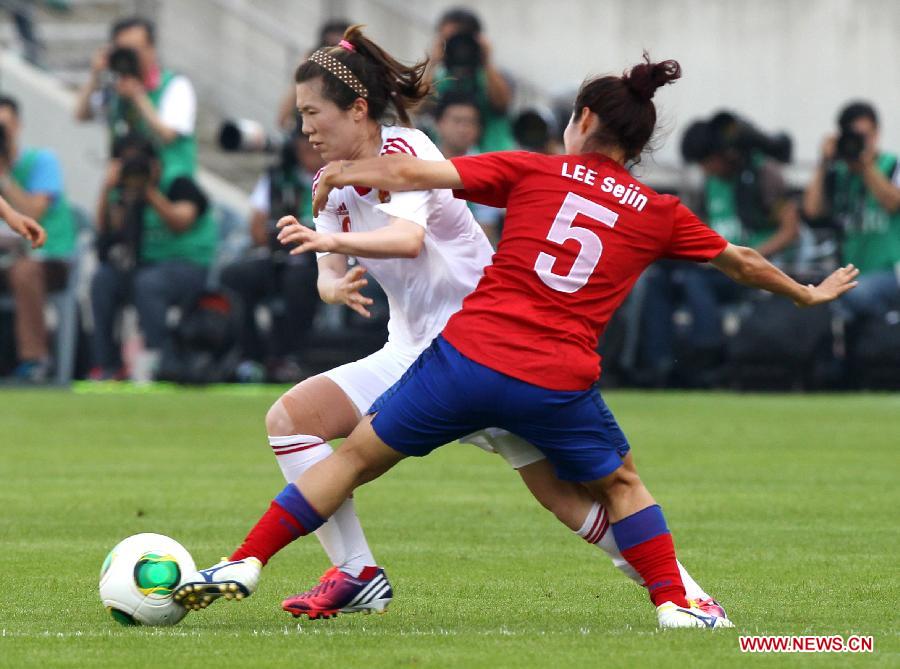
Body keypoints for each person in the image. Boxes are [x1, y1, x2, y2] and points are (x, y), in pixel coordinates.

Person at [173, 44, 768, 628]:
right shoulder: (329, 182)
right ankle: (354, 572)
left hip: (477, 345)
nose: (302, 127)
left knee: (570, 499)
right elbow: (329, 269)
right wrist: (332, 281)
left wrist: (331, 242)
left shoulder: (405, 148)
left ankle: (685, 595)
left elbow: (406, 239)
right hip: (414, 350)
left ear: (356, 108)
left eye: (311, 113)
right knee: (292, 421)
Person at [637, 112, 802, 386]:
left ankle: (707, 356)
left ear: (724, 154)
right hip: (716, 268)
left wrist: (750, 256)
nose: (705, 170)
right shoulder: (709, 186)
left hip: (753, 271)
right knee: (658, 279)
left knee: (694, 280)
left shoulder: (763, 174)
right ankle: (659, 364)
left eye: (706, 162)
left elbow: (790, 230)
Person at [89, 135, 215, 381]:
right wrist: (109, 187)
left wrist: (149, 192)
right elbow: (107, 227)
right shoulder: (125, 190)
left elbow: (181, 221)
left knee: (148, 283)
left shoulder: (178, 182)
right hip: (146, 267)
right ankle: (106, 365)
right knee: (103, 280)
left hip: (188, 266)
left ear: (156, 164)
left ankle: (160, 360)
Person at [220, 131, 323, 382]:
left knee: (297, 281)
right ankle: (250, 354)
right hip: (280, 252)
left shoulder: (341, 174)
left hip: (321, 256)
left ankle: (290, 356)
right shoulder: (278, 177)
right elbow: (256, 226)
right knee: (234, 277)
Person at [0, 95, 75, 381]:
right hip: (6, 259)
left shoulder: (41, 161)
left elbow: (32, 213)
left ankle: (35, 361)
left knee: (25, 271)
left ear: (18, 126)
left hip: (48, 257)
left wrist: (4, 177)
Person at [803, 101, 900, 322]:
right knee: (826, 304)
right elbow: (812, 211)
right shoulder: (840, 173)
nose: (861, 143)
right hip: (853, 271)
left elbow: (893, 203)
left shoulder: (892, 164)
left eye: (865, 136)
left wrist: (865, 165)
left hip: (892, 270)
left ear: (876, 133)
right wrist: (823, 163)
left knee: (855, 297)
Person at [74, 16, 198, 180]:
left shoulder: (175, 86)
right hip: (125, 194)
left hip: (169, 192)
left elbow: (168, 135)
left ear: (151, 49)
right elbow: (81, 114)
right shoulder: (115, 91)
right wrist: (95, 76)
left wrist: (138, 97)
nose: (130, 58)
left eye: (135, 50)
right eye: (123, 50)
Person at [424, 7, 515, 153]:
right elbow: (417, 107)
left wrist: (486, 59)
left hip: (493, 156)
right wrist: (431, 62)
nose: (456, 46)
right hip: (446, 158)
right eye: (447, 40)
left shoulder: (493, 77)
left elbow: (502, 103)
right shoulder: (440, 77)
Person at [433, 90, 502, 245]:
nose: (463, 129)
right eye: (457, 121)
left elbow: (486, 228)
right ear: (439, 123)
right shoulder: (421, 159)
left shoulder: (486, 171)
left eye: (470, 122)